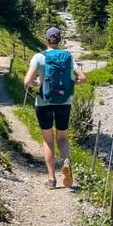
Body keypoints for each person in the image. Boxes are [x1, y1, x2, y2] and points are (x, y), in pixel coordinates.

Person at [24, 27, 86, 190]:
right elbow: (82, 78)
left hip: (44, 102)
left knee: (48, 139)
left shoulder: (39, 57)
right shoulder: (68, 57)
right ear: (59, 40)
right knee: (62, 138)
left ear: (46, 39)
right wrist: (70, 84)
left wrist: (37, 83)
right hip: (64, 102)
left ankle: (52, 179)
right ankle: (66, 162)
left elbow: (27, 81)